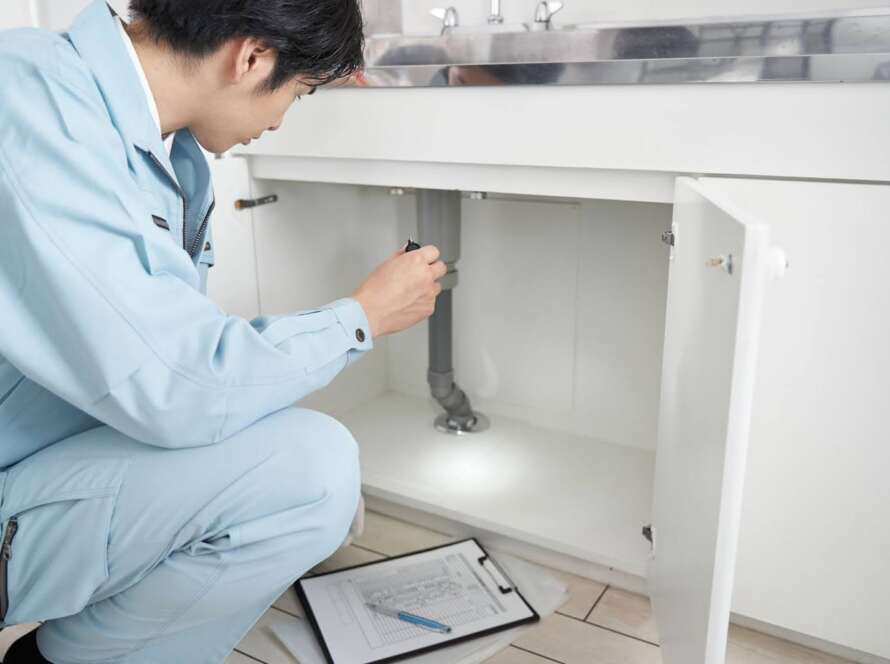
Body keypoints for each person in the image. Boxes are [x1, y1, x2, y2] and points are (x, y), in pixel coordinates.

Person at [0, 1, 446, 661]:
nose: (278, 121)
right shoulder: (28, 107)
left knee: (309, 474)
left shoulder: (163, 145)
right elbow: (176, 385)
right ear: (252, 56)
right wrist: (361, 318)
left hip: (31, 463)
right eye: (299, 92)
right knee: (307, 474)